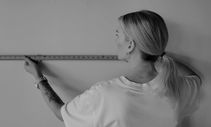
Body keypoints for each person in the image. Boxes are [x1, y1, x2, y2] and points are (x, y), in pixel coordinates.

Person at [23, 10, 202, 127]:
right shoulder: (176, 87)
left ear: (130, 45)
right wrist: (160, 56)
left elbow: (61, 113)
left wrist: (39, 78)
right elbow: (195, 78)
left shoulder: (105, 93)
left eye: (117, 34)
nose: (115, 40)